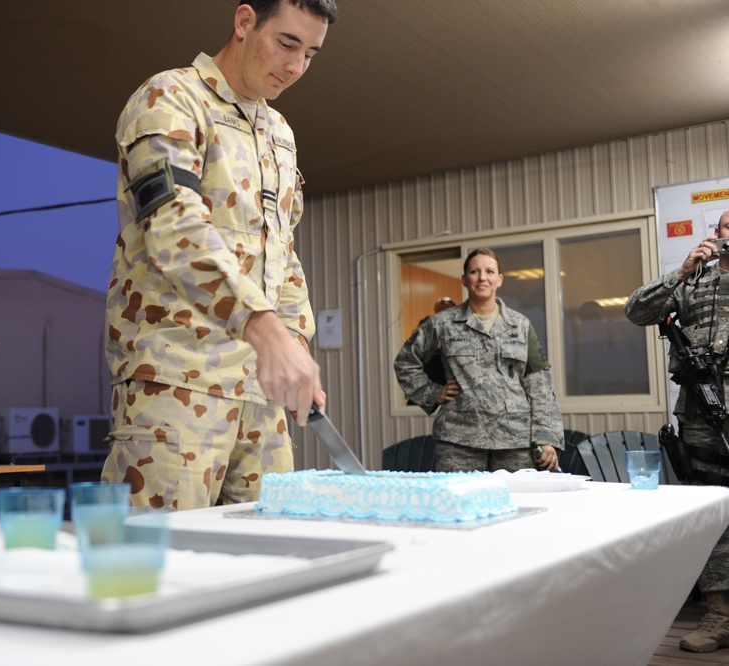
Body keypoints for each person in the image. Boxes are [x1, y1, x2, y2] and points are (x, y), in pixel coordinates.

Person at [101, 0, 337, 510]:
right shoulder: (171, 97)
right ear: (245, 21)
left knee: (274, 558)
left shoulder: (280, 133)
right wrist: (266, 329)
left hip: (261, 392)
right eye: (287, 44)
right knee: (159, 565)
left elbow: (283, 252)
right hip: (177, 377)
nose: (296, 67)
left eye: (311, 54)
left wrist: (293, 344)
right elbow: (171, 225)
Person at [625, 209, 729, 653]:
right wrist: (682, 270)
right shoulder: (693, 281)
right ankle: (721, 615)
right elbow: (636, 311)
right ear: (717, 233)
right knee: (715, 515)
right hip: (703, 416)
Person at [394, 248, 564, 472]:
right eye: (475, 271)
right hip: (459, 442)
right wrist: (433, 392)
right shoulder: (442, 324)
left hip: (514, 442)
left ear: (499, 280)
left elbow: (539, 382)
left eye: (489, 271)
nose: (482, 277)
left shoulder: (520, 325)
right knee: (460, 505)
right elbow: (405, 362)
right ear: (464, 280)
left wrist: (546, 436)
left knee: (517, 504)